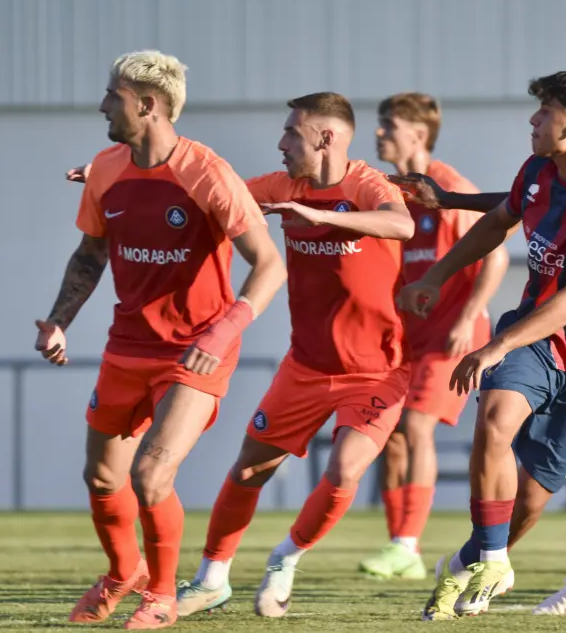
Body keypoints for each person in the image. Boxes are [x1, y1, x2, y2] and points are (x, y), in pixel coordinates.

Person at [394, 69, 566, 621]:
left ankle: (468, 561)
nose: (533, 121)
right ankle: (493, 560)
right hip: (536, 338)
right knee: (494, 419)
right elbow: (497, 223)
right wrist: (434, 277)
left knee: (531, 500)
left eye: (545, 113)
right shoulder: (538, 170)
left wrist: (492, 346)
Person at [41, 50, 287, 629]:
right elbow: (90, 255)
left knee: (151, 477)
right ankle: (120, 573)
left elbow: (269, 264)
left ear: (147, 105)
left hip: (197, 350)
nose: (103, 104)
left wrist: (225, 328)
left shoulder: (208, 172)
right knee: (102, 478)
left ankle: (161, 595)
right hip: (127, 346)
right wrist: (58, 322)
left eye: (113, 96)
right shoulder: (104, 169)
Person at [173, 92, 416, 619]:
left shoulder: (366, 184)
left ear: (325, 137)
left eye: (291, 132)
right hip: (305, 367)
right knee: (247, 473)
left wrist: (318, 216)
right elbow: (215, 194)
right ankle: (211, 578)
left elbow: (402, 225)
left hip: (378, 372)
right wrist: (125, 177)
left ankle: (286, 558)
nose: (281, 144)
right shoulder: (283, 186)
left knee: (346, 471)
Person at [361, 92, 509, 580]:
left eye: (388, 124)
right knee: (391, 437)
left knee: (416, 427)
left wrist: (469, 315)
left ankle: (405, 545)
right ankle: (401, 549)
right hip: (409, 335)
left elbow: (497, 254)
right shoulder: (387, 191)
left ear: (417, 134)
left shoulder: (447, 187)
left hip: (453, 335)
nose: (378, 132)